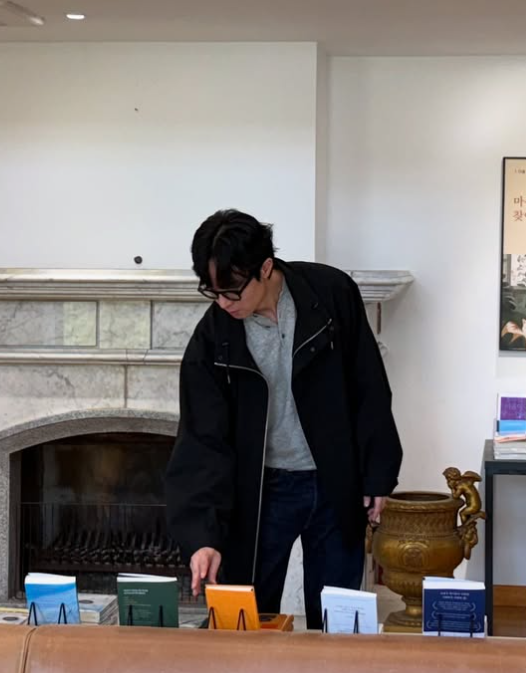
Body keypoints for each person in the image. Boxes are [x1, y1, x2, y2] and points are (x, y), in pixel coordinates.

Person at [165, 209, 402, 629]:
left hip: (334, 483)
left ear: (266, 267)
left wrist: (378, 473)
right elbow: (201, 440)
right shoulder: (213, 339)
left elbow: (368, 385)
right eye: (212, 292)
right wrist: (202, 535)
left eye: (232, 291)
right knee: (246, 623)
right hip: (260, 492)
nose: (223, 303)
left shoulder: (330, 294)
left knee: (337, 623)